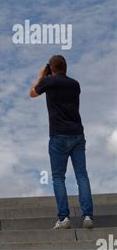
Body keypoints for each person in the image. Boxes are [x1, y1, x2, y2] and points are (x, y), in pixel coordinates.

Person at [30, 55, 94, 229]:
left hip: (58, 135)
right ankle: (88, 216)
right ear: (66, 67)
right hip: (77, 134)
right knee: (82, 175)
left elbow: (32, 93)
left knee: (59, 177)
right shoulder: (75, 84)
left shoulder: (48, 81)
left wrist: (42, 75)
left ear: (51, 68)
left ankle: (64, 218)